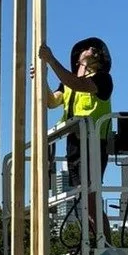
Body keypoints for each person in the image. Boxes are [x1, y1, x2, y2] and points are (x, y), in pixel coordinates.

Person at [40, 37, 113, 241]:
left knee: (90, 197)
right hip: (75, 144)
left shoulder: (103, 78)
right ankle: (94, 242)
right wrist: (42, 79)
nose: (92, 50)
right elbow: (51, 102)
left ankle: (103, 244)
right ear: (79, 57)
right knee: (83, 198)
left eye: (95, 49)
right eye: (88, 48)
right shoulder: (68, 83)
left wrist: (52, 61)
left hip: (94, 143)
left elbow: (79, 84)